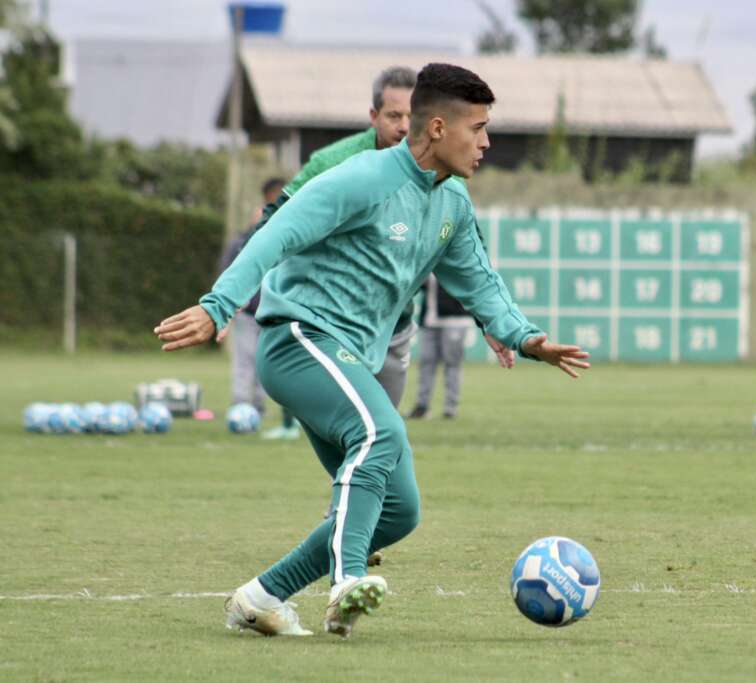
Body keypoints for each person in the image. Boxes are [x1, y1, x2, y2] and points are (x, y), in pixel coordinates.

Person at [154, 63, 590, 639]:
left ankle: (260, 597)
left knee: (399, 511)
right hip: (298, 341)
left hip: (350, 361)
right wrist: (219, 306)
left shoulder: (452, 204)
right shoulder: (361, 178)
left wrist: (526, 338)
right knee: (381, 435)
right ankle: (346, 584)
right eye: (478, 128)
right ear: (437, 128)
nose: (486, 143)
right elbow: (275, 234)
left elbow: (481, 283)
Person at [252, 65, 514, 410]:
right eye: (394, 115)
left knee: (380, 437)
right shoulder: (334, 161)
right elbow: (275, 224)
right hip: (328, 323)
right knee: (370, 433)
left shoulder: (445, 176)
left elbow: (467, 254)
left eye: (412, 116)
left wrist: (489, 319)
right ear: (374, 116)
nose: (405, 126)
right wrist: (235, 297)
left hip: (393, 325)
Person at [220, 177, 286, 423]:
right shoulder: (239, 244)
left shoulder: (281, 242)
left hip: (273, 316)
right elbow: (226, 273)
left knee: (264, 363)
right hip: (247, 315)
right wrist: (228, 307)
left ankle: (258, 405)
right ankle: (240, 403)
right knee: (244, 360)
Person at [407, 274, 474, 420]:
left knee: (452, 364)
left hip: (455, 319)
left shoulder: (456, 256)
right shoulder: (428, 256)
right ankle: (422, 406)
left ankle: (451, 408)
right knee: (425, 363)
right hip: (429, 320)